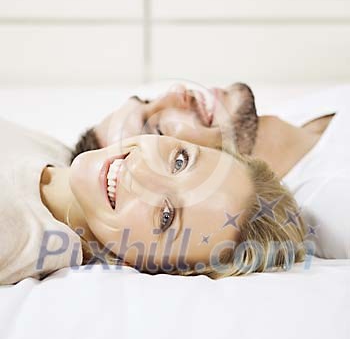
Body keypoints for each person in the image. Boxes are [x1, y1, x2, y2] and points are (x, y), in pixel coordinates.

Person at [0, 115, 306, 285]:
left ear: (146, 266)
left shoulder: (11, 233)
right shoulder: (56, 155)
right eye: (180, 161)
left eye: (166, 217)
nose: (142, 175)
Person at [71, 82, 350, 260]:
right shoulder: (334, 203)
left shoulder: (299, 111)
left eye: (148, 101)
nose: (177, 92)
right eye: (156, 125)